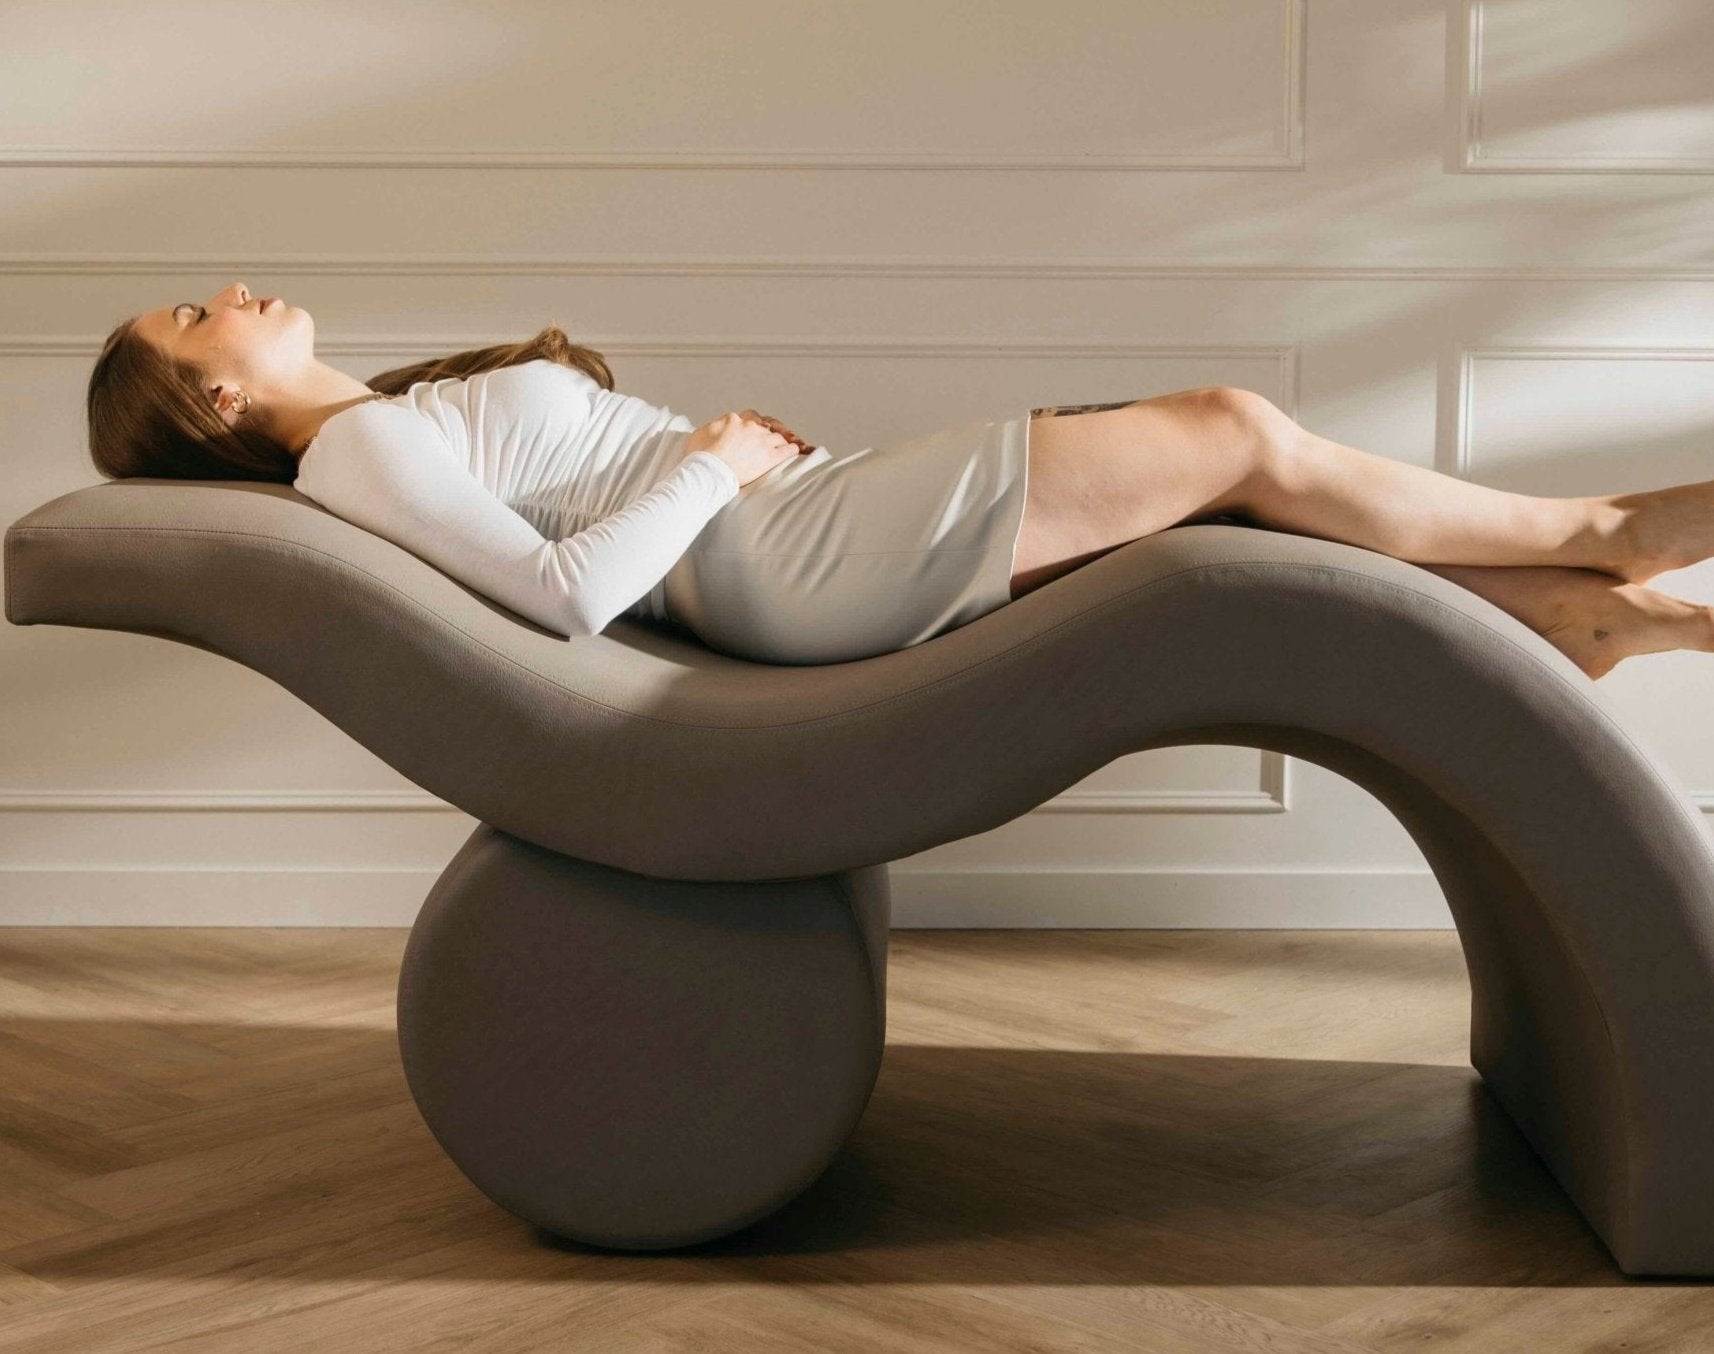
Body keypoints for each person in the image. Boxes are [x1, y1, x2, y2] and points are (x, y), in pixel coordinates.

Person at [88, 280, 1714, 676]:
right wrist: (713, 463)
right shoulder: (359, 449)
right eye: (192, 313)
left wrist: (712, 468)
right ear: (216, 395)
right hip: (790, 554)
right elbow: (562, 596)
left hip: (797, 531)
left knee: (1228, 501)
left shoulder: (378, 424)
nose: (226, 287)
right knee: (1230, 433)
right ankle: (1604, 535)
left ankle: (1575, 611)